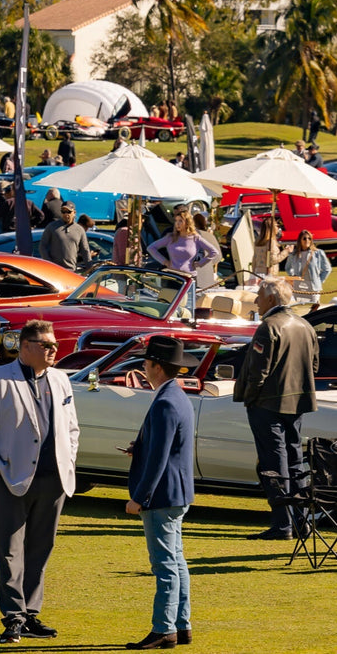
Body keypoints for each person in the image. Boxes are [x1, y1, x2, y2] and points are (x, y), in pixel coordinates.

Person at [0, 320, 80, 645]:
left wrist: (68, 461)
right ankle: (13, 618)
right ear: (26, 347)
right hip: (11, 480)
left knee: (40, 550)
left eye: (54, 345)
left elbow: (72, 428)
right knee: (9, 553)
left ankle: (31, 614)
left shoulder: (61, 379)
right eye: (47, 346)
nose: (54, 351)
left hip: (53, 481)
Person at [122, 336, 196, 650]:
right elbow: (163, 448)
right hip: (176, 493)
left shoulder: (166, 400)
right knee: (176, 561)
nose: (143, 367)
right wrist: (139, 448)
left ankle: (164, 628)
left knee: (165, 565)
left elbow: (159, 458)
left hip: (163, 496)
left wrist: (140, 497)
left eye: (147, 362)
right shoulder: (177, 396)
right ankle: (181, 625)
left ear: (156, 366)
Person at [235, 278, 318, 541]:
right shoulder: (305, 325)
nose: (256, 300)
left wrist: (250, 397)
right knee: (295, 463)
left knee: (274, 465)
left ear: (271, 299)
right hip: (296, 404)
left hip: (267, 404)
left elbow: (259, 371)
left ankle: (283, 525)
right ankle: (301, 522)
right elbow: (314, 367)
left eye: (259, 295)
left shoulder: (268, 326)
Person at [148, 210, 219, 276]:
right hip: (172, 275)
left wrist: (200, 263)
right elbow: (151, 248)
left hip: (188, 276)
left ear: (187, 222)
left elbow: (214, 252)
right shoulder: (170, 237)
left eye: (180, 221)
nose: (177, 224)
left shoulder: (196, 238)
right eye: (176, 221)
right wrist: (165, 262)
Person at [38, 202, 92, 272]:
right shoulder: (52, 227)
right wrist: (50, 264)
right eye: (63, 212)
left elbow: (85, 250)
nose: (66, 214)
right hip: (55, 271)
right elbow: (42, 246)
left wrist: (90, 268)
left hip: (72, 271)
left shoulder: (79, 229)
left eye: (68, 212)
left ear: (74, 212)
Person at [283, 230, 331, 294]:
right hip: (298, 287)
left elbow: (327, 269)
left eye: (309, 238)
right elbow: (288, 268)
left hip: (314, 288)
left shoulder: (318, 253)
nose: (307, 240)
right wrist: (293, 276)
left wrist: (319, 281)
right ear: (300, 240)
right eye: (304, 238)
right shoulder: (293, 254)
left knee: (314, 303)